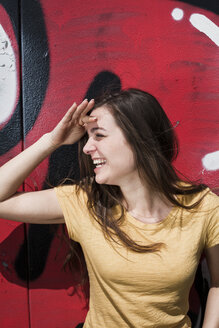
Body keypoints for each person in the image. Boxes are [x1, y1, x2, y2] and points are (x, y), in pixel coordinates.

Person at [0, 88, 218, 328]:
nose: (86, 148)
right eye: (88, 137)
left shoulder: (203, 207)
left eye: (99, 135)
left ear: (139, 139)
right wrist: (52, 141)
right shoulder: (87, 202)